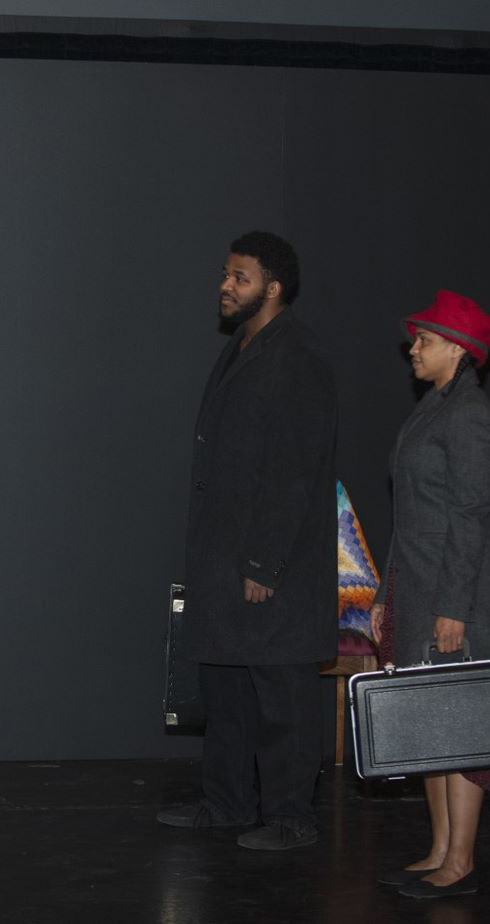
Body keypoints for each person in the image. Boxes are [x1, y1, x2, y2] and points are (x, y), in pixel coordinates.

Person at [157, 231, 338, 851]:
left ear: (273, 286)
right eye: (225, 274)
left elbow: (295, 470)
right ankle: (227, 802)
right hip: (223, 560)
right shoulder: (243, 346)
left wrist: (265, 560)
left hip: (270, 567)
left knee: (282, 693)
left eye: (239, 277)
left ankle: (290, 816)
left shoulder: (298, 356)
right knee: (226, 687)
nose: (225, 285)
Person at [369, 289, 490, 899]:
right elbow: (408, 514)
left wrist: (455, 605)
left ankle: (462, 863)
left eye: (423, 340)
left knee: (464, 727)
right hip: (418, 582)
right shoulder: (431, 408)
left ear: (457, 349)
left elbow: (472, 517)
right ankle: (438, 850)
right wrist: (385, 591)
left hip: (462, 588)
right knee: (429, 724)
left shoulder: (471, 416)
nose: (413, 348)